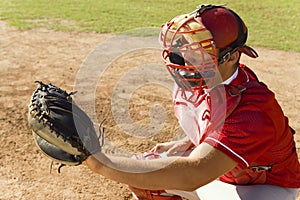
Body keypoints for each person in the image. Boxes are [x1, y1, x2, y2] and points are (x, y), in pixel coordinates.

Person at [83, 4, 300, 200]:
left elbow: (193, 173)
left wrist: (98, 161)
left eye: (199, 52)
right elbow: (210, 116)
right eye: (184, 46)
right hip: (226, 174)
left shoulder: (253, 112)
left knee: (156, 173)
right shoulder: (199, 81)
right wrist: (191, 142)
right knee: (147, 174)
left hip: (266, 188)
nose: (184, 58)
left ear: (231, 57)